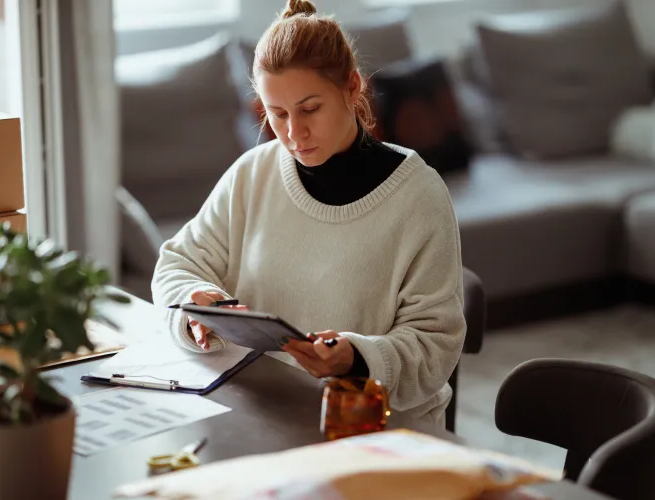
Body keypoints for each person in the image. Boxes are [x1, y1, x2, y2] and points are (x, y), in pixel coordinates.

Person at [152, 0, 466, 428]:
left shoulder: (418, 195)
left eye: (310, 109)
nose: (293, 134)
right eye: (276, 114)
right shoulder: (252, 173)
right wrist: (192, 305)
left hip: (372, 431)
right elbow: (178, 263)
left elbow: (435, 346)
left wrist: (357, 358)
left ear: (352, 87)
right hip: (263, 413)